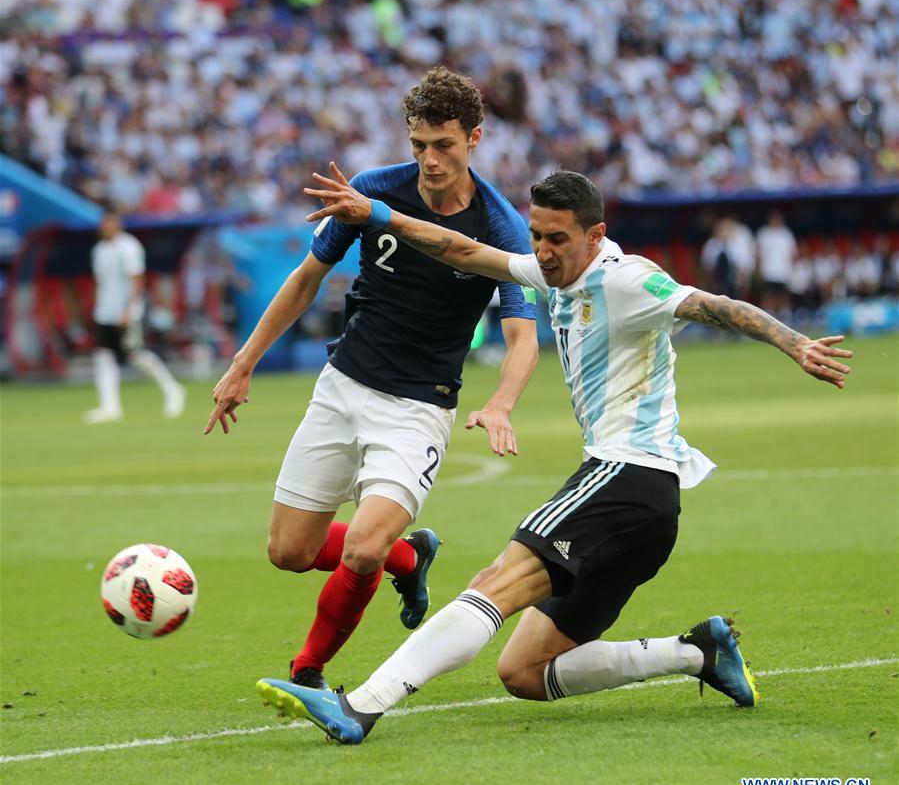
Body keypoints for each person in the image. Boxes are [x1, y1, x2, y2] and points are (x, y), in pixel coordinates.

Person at [254, 165, 853, 744]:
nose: (541, 250)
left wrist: (793, 341)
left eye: (557, 239)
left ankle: (361, 705)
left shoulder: (625, 279)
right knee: (524, 671)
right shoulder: (552, 271)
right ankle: (698, 652)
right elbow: (462, 251)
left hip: (625, 475)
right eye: (536, 235)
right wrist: (381, 214)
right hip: (648, 512)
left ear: (595, 236)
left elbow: (715, 305)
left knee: (493, 584)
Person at [204, 68, 538, 690]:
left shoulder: (500, 228)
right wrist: (243, 362)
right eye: (419, 146)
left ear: (476, 137)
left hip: (418, 407)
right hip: (342, 385)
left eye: (444, 145)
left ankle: (309, 674)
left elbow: (523, 335)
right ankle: (408, 557)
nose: (430, 160)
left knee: (360, 549)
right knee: (289, 553)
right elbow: (307, 276)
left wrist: (501, 402)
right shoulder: (370, 191)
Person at [83, 211, 186, 424]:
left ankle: (173, 389)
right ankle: (110, 406)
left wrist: (129, 310)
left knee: (136, 354)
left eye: (109, 222)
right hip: (105, 312)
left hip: (127, 312)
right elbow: (100, 282)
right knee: (103, 356)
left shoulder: (129, 247)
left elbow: (137, 280)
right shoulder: (99, 250)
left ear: (117, 223)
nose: (106, 227)